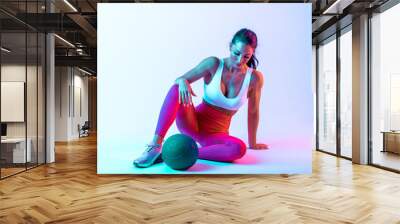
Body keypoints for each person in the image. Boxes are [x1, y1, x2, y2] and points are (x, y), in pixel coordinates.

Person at [134, 28, 268, 168]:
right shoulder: (213, 64)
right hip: (192, 124)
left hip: (214, 136)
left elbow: (253, 112)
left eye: (246, 56)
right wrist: (183, 82)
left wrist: (252, 143)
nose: (240, 60)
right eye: (236, 53)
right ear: (230, 47)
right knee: (176, 89)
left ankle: (181, 153)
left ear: (252, 54)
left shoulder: (254, 78)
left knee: (238, 148)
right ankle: (155, 146)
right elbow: (180, 79)